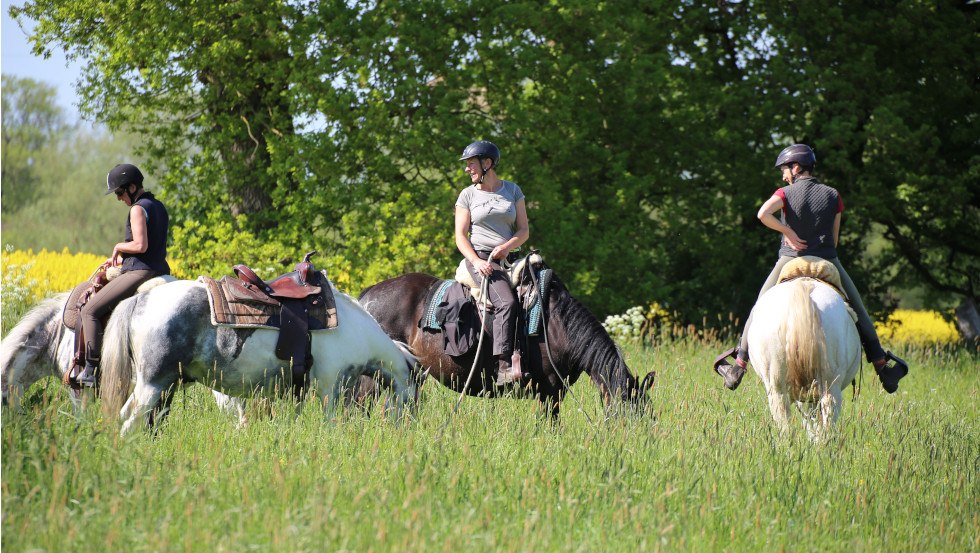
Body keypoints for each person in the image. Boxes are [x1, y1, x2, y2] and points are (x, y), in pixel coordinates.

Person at [713, 144, 908, 393]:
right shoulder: (833, 195)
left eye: (785, 170)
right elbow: (834, 240)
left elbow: (763, 214)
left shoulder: (784, 193)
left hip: (790, 260)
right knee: (859, 308)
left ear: (796, 167)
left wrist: (787, 232)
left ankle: (739, 365)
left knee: (758, 306)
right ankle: (882, 367)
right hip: (827, 260)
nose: (784, 176)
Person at [76, 163, 171, 387]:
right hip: (159, 268)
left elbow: (140, 245)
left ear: (132, 187)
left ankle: (91, 370)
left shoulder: (137, 208)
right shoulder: (158, 206)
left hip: (141, 271)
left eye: (119, 192)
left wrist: (119, 246)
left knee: (89, 311)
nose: (119, 198)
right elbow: (150, 247)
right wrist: (121, 259)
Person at [454, 140, 530, 385]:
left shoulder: (513, 190)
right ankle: (504, 366)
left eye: (471, 164)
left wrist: (507, 247)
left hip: (509, 256)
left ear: (487, 163)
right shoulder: (467, 195)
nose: (467, 169)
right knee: (506, 302)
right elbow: (460, 236)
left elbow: (524, 230)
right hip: (482, 259)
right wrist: (476, 261)